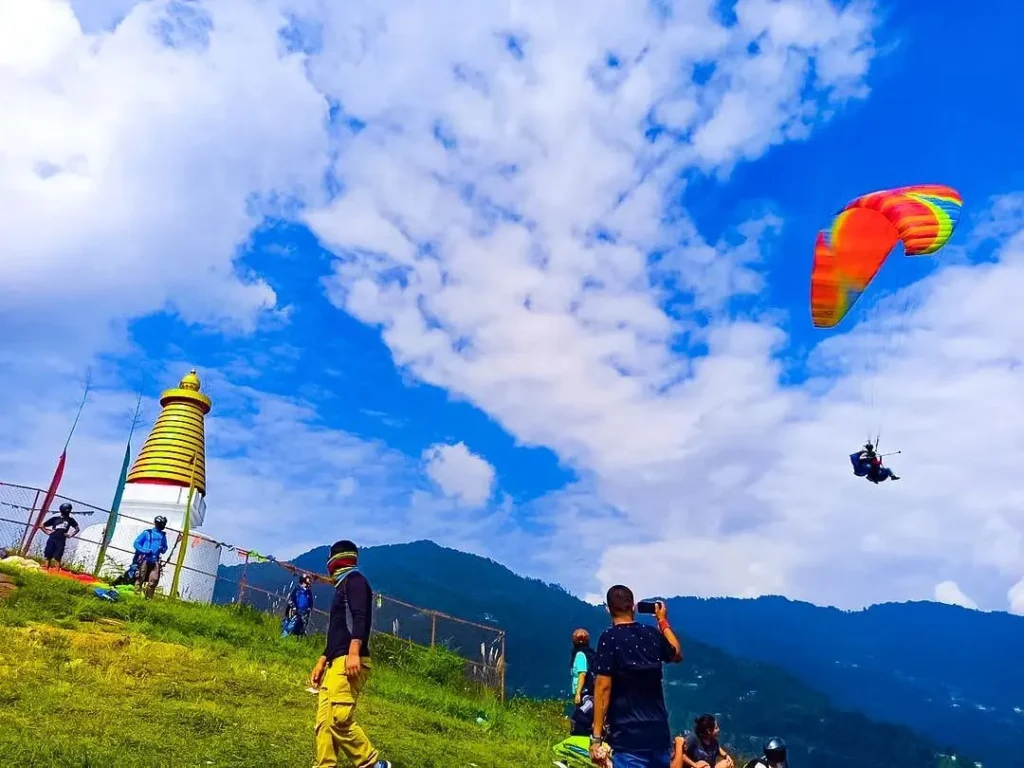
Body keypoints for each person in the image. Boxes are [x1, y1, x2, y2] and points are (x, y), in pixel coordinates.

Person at [308, 540, 391, 768]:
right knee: (324, 722)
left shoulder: (355, 581)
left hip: (349, 660)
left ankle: (371, 763)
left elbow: (360, 617)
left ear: (336, 560)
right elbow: (336, 631)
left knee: (339, 718)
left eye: (329, 558)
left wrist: (354, 652)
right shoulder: (342, 586)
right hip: (335, 661)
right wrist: (322, 661)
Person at [590, 587, 684, 768]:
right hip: (658, 733)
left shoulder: (609, 638)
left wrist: (596, 738)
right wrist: (662, 621)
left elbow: (603, 687)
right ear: (633, 607)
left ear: (608, 609)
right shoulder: (652, 634)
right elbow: (677, 653)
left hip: (628, 736)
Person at [569, 628, 596, 736]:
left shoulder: (580, 655)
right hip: (591, 692)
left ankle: (581, 735)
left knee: (579, 716)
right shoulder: (591, 654)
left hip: (584, 692)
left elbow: (582, 674)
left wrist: (578, 693)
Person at [132, 516, 168, 598]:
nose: (162, 526)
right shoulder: (147, 533)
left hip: (155, 561)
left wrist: (162, 548)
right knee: (140, 577)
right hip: (144, 559)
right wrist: (144, 550)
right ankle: (136, 596)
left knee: (153, 580)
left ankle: (149, 598)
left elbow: (165, 548)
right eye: (161, 524)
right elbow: (136, 544)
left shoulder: (163, 536)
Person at [41, 503, 80, 569]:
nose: (68, 511)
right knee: (48, 556)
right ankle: (46, 570)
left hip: (61, 540)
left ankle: (56, 573)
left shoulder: (70, 520)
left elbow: (77, 529)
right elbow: (42, 525)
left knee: (57, 557)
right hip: (52, 538)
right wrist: (47, 532)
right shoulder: (55, 519)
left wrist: (70, 535)